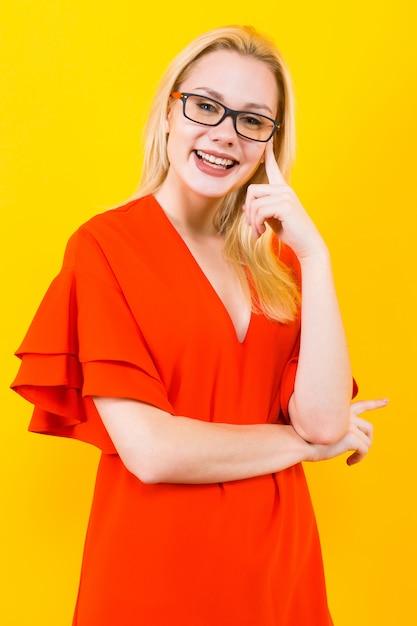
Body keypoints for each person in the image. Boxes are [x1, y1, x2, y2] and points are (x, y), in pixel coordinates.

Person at [11, 25, 387, 626]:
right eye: (206, 105)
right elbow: (153, 452)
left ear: (270, 140)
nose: (225, 134)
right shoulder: (104, 248)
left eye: (252, 120)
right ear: (169, 111)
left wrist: (318, 259)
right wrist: (310, 446)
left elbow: (321, 416)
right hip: (155, 575)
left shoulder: (283, 259)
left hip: (278, 571)